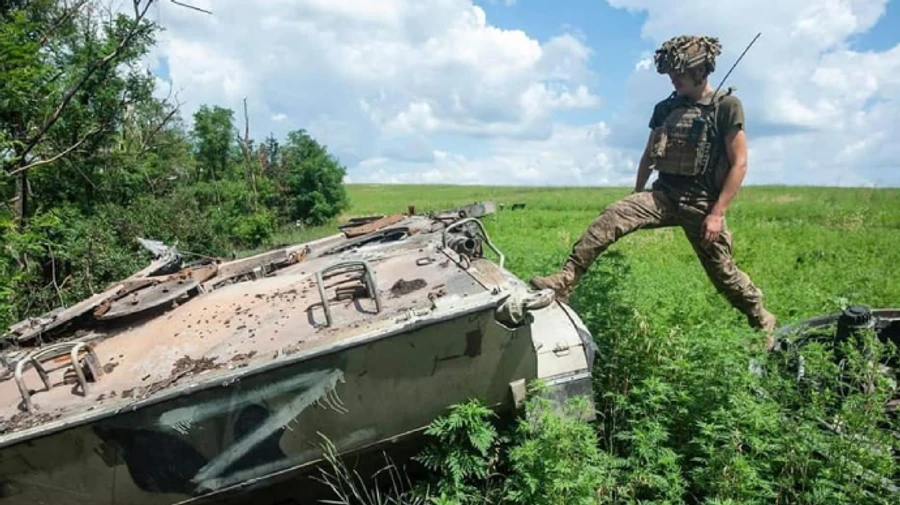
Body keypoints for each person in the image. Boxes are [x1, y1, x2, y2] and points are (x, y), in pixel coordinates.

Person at [530, 35, 777, 342]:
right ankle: (565, 280)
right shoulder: (665, 109)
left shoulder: (725, 107)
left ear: (700, 72)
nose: (673, 80)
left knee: (724, 274)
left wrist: (717, 213)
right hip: (663, 195)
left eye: (680, 74)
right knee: (611, 216)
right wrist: (635, 194)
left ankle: (761, 319)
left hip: (701, 203)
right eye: (671, 74)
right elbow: (649, 154)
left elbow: (739, 163)